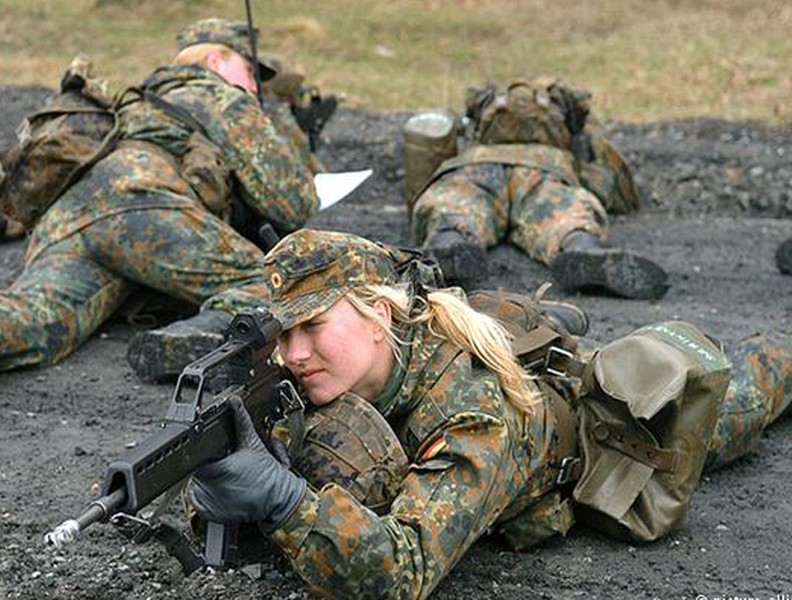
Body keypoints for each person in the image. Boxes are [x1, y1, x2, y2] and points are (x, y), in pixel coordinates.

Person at [187, 228, 792, 600]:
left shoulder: (472, 410)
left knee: (736, 401)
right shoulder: (320, 372)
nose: (293, 354)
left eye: (314, 326)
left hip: (608, 430)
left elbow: (401, 571)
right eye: (284, 333)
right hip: (504, 371)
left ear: (379, 315)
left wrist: (284, 500)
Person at [0, 18, 318, 376]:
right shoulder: (218, 95)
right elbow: (294, 203)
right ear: (215, 60)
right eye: (249, 70)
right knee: (272, 282)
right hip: (145, 211)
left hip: (71, 214)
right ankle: (191, 339)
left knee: (39, 319)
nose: (256, 86)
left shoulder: (132, 101)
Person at [406, 77, 668, 299]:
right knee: (564, 216)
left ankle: (448, 244)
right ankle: (582, 247)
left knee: (455, 206)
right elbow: (612, 179)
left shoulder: (482, 113)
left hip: (477, 165)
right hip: (544, 169)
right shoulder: (568, 117)